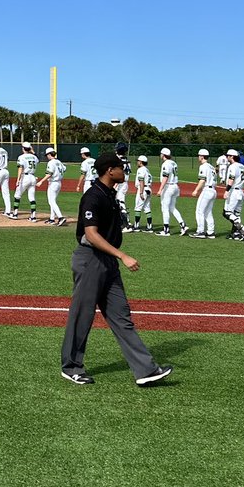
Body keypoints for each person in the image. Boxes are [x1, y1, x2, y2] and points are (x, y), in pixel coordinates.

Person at [60, 152, 173, 388]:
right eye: (121, 168)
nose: (125, 171)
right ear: (110, 171)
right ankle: (71, 367)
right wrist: (122, 255)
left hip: (107, 262)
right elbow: (91, 234)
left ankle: (145, 370)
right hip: (91, 259)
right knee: (82, 316)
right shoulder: (93, 196)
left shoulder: (110, 194)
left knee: (122, 317)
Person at [156, 147, 188, 237]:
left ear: (163, 155)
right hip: (175, 186)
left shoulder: (166, 164)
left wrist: (160, 189)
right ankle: (183, 225)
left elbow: (165, 177)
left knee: (165, 208)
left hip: (168, 187)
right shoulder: (174, 163)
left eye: (161, 154)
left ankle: (166, 230)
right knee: (172, 208)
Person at [190, 148, 218, 239]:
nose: (198, 157)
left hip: (207, 190)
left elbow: (202, 180)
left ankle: (200, 231)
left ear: (202, 157)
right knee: (208, 212)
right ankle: (211, 232)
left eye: (199, 155)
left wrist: (196, 190)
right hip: (213, 190)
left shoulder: (203, 166)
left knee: (199, 211)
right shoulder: (211, 167)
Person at [222, 149, 244, 240]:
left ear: (232, 157)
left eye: (228, 156)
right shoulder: (241, 166)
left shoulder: (233, 166)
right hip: (240, 190)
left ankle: (242, 228)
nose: (226, 157)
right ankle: (236, 233)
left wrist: (227, 190)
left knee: (227, 212)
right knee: (236, 214)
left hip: (234, 191)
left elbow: (231, 178)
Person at [38, 147, 67, 225]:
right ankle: (52, 218)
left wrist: (41, 181)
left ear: (49, 154)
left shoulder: (51, 162)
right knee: (52, 201)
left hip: (53, 183)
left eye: (47, 155)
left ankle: (61, 217)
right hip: (58, 183)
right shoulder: (58, 161)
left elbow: (49, 174)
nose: (47, 156)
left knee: (51, 201)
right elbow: (64, 169)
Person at [12, 141, 39, 221]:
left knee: (17, 195)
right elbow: (38, 160)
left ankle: (15, 214)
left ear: (23, 148)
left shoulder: (21, 157)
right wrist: (33, 151)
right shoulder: (34, 157)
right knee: (32, 197)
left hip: (25, 177)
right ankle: (33, 216)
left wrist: (18, 180)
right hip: (33, 177)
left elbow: (20, 168)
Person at [131, 155, 153, 232]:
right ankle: (149, 227)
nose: (137, 162)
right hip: (149, 189)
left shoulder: (141, 170)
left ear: (140, 162)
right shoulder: (147, 170)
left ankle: (136, 226)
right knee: (147, 208)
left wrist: (141, 192)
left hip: (143, 189)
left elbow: (141, 181)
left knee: (138, 207)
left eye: (138, 161)